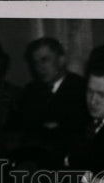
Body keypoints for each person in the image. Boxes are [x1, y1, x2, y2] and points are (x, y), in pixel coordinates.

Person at [15, 37, 87, 167]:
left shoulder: (81, 88)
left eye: (45, 60)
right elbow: (22, 130)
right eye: (35, 63)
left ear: (61, 60)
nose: (39, 67)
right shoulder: (30, 91)